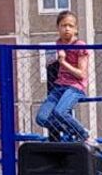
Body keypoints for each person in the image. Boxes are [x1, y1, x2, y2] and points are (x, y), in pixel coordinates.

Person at [35, 11, 93, 145]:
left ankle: (85, 135)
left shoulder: (80, 45)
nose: (67, 29)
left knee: (60, 112)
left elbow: (82, 74)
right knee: (41, 118)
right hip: (59, 85)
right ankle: (75, 130)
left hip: (75, 87)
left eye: (70, 26)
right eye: (63, 25)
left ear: (76, 29)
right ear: (58, 28)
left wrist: (63, 63)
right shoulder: (59, 43)